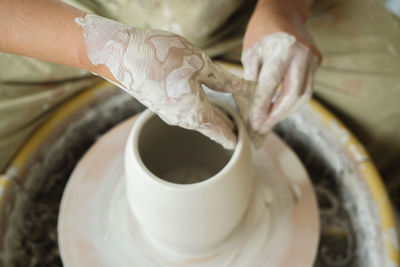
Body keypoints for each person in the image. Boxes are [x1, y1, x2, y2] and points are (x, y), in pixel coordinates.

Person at [0, 0, 399, 190]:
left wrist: (285, 11)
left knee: (392, 106)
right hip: (52, 18)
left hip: (234, 14)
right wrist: (105, 48)